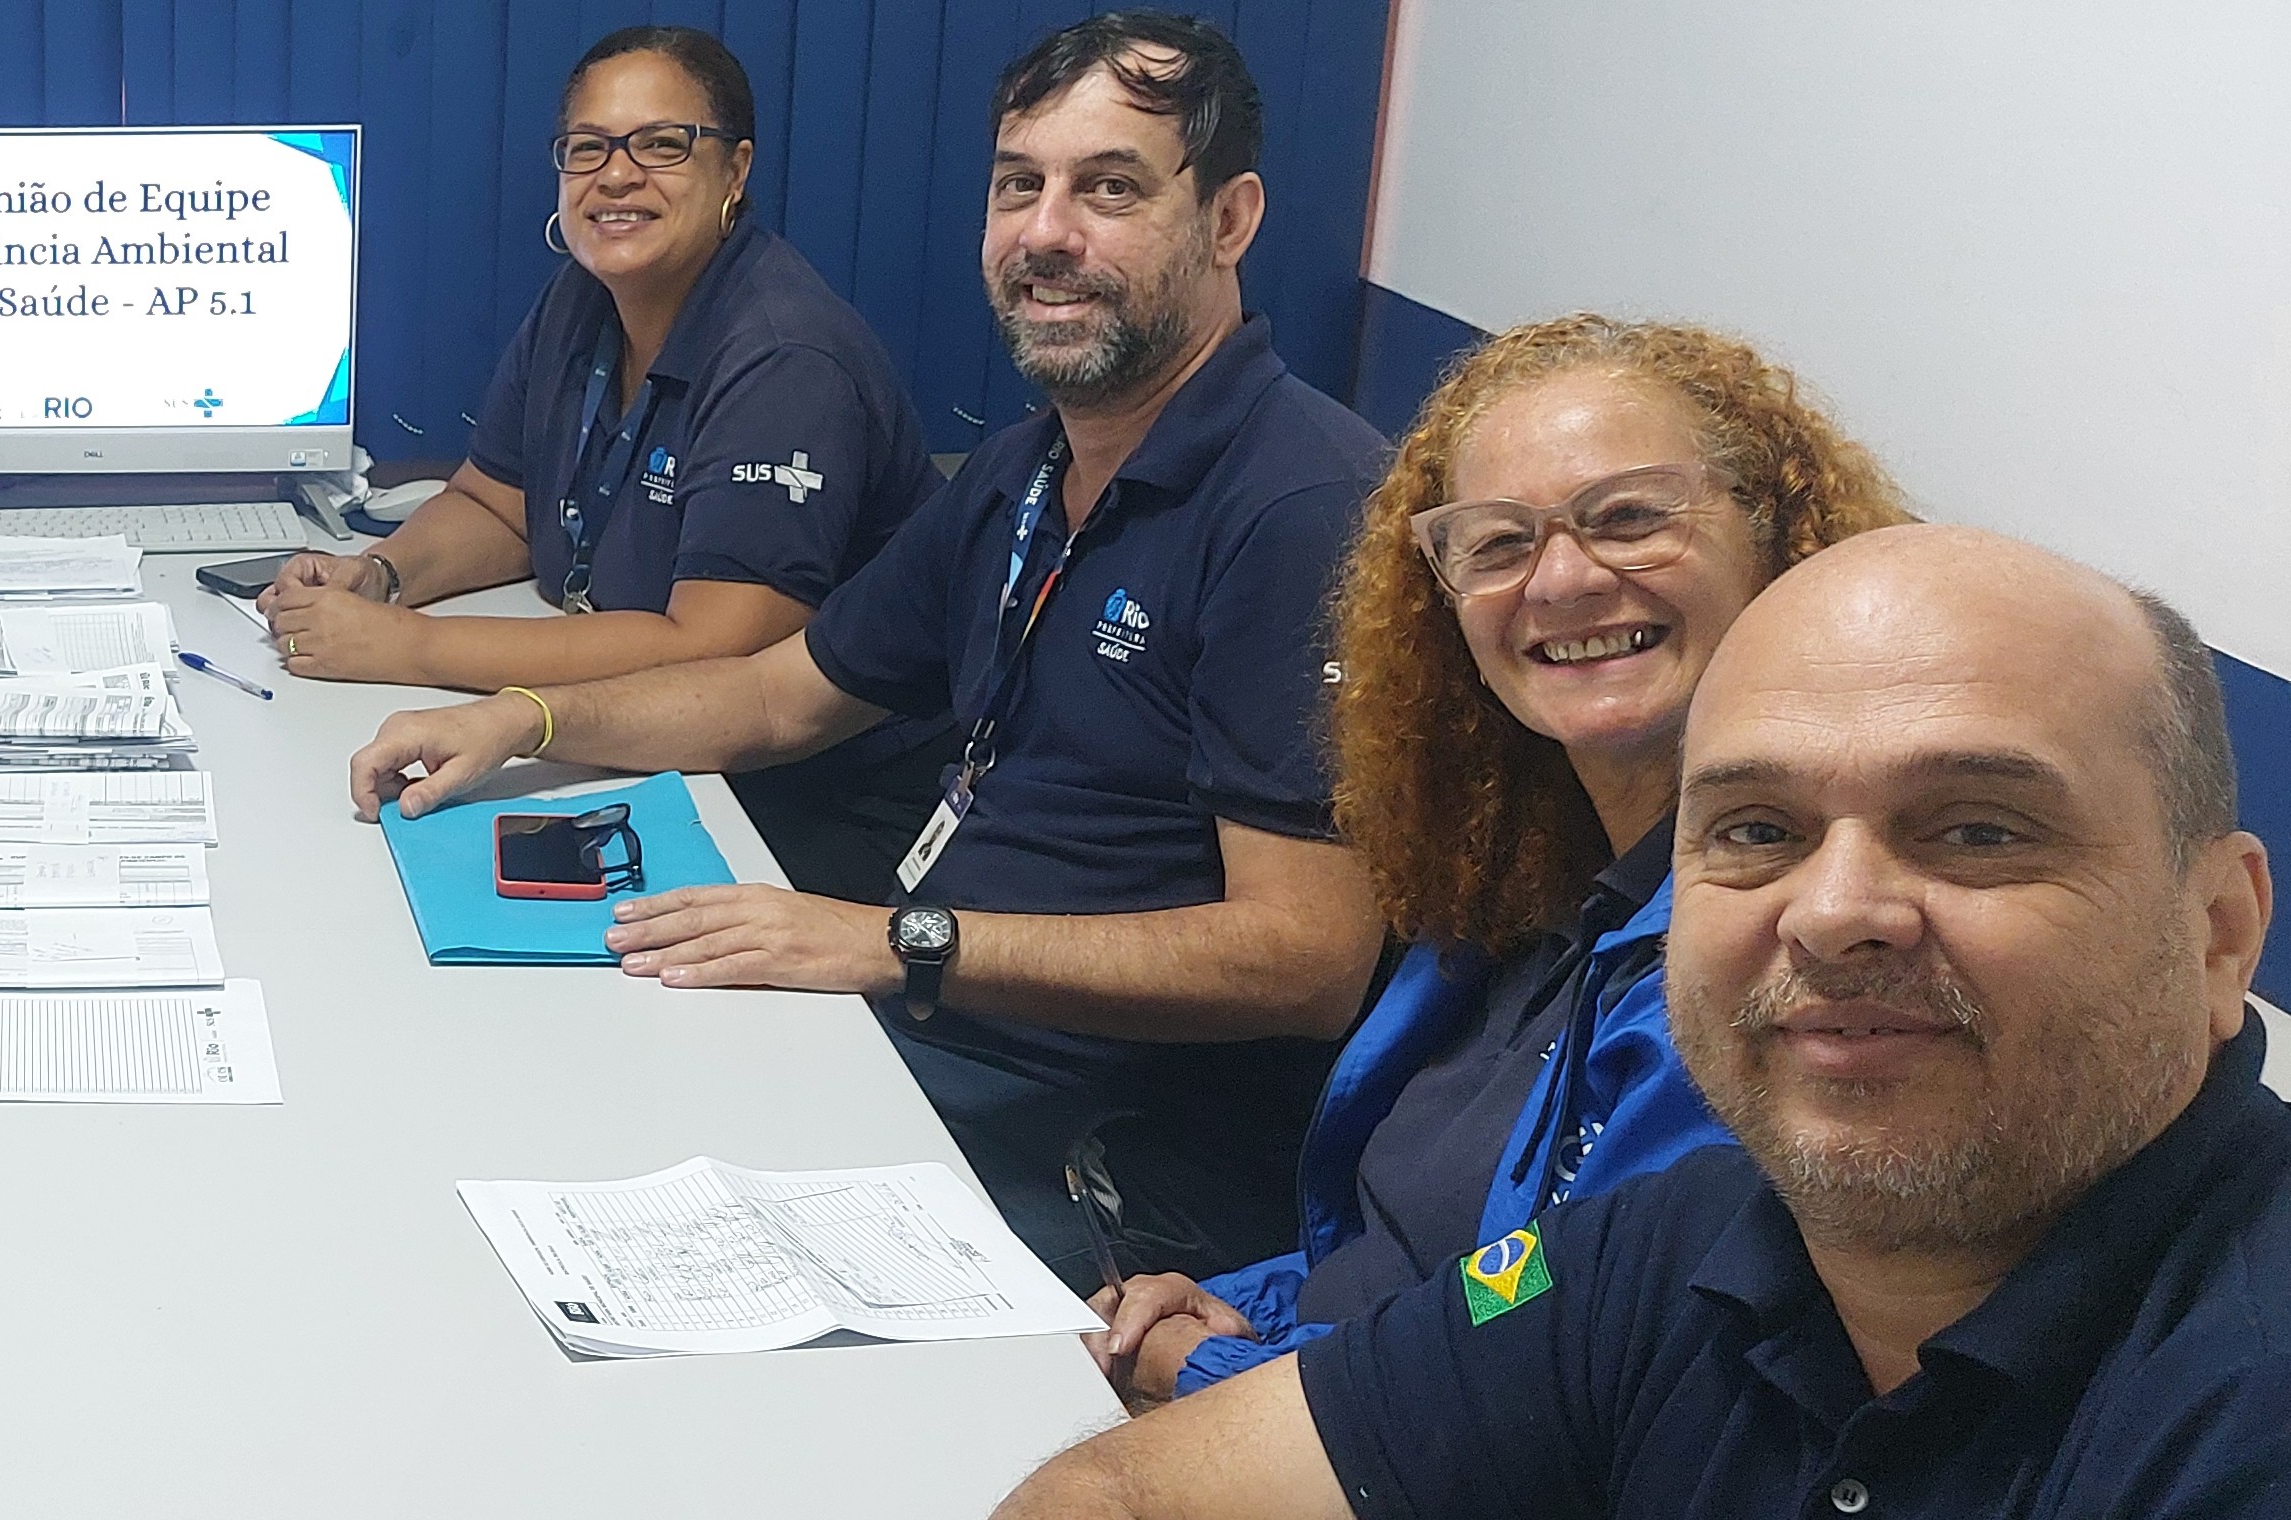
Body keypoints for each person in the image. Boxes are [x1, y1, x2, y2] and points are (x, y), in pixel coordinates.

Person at [346, 10, 1385, 1279]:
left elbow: (1305, 960)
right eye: (1019, 185)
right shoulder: (1023, 469)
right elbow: (776, 698)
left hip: (1095, 1143)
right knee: (484, 1095)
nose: (1047, 232)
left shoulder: (1298, 506)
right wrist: (526, 717)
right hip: (927, 1022)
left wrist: (892, 940)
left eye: (1110, 188)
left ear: (1228, 220)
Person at [996, 525, 2291, 1519]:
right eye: (1757, 829)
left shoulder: (2236, 1410)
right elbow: (1123, 1495)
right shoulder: (1669, 1245)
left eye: (1979, 830)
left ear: (2220, 930)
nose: (1833, 913)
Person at [1085, 316, 1915, 1409]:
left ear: (1777, 542)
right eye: (1498, 543)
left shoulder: (1784, 956)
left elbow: (1542, 1333)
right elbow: (1424, 1261)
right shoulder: (1525, 884)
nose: (1560, 580)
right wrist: (1235, 1305)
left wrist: (1206, 1368)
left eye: (1629, 518)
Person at [254, 24, 952, 905]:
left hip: (820, 800)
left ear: (735, 171)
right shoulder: (583, 300)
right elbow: (498, 503)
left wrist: (409, 647)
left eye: (662, 144)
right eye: (588, 148)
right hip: (654, 746)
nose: (616, 175)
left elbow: (716, 650)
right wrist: (382, 577)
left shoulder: (784, 360)